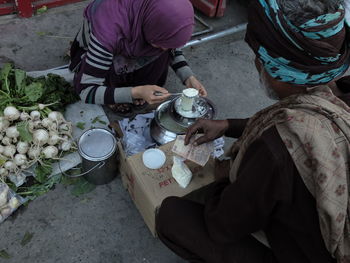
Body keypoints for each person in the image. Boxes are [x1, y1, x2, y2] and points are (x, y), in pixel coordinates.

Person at [156, 0, 350, 262]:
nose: (257, 65)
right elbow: (301, 124)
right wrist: (228, 126)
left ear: (279, 70)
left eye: (260, 58)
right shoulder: (339, 92)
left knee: (171, 216)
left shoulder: (275, 150)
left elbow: (223, 225)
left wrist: (222, 177)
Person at [69, 0, 207, 116]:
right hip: (110, 52)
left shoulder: (158, 17)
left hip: (141, 37)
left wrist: (188, 77)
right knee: (109, 84)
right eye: (163, 43)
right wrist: (136, 92)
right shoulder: (108, 33)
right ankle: (116, 95)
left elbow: (172, 47)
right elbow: (86, 90)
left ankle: (135, 90)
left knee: (159, 50)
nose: (166, 49)